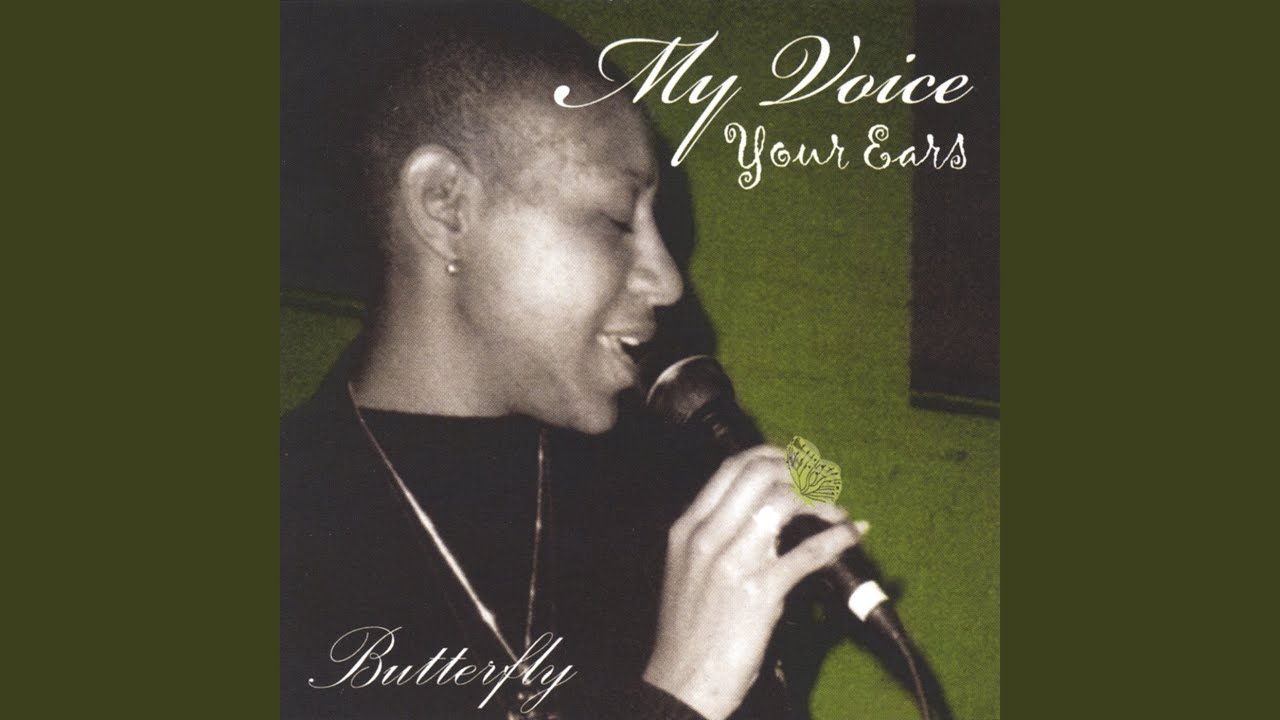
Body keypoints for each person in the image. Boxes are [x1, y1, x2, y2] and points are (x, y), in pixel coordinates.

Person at [281, 3, 863, 718]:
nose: (668, 282)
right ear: (445, 204)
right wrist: (683, 694)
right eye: (616, 220)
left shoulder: (670, 510)